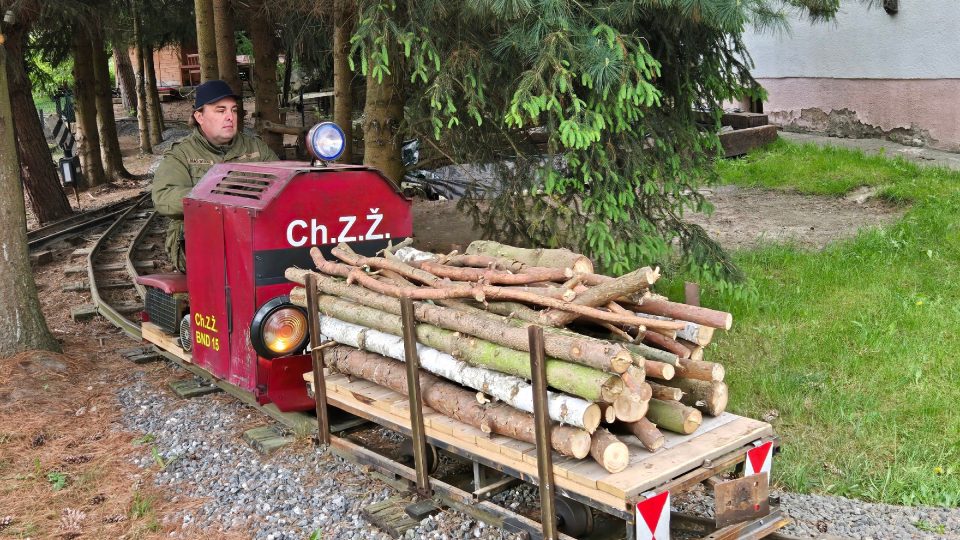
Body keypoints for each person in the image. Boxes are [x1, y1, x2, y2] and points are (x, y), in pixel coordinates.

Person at [152, 80, 278, 271]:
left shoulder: (256, 148)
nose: (230, 117)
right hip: (199, 241)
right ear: (199, 116)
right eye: (220, 111)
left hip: (253, 233)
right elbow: (163, 197)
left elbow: (284, 184)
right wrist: (214, 193)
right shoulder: (182, 154)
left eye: (234, 110)